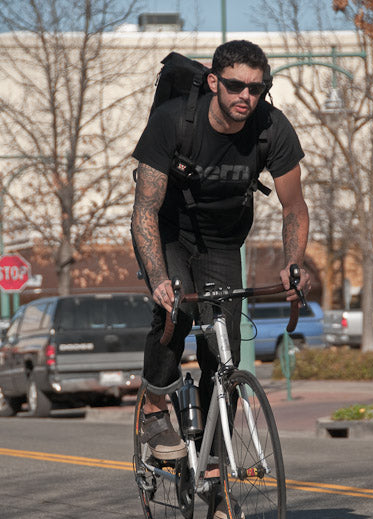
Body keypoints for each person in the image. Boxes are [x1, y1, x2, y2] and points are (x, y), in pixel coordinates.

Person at [131, 39, 310, 472]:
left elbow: (295, 208)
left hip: (223, 242)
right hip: (170, 233)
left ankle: (215, 460)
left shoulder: (272, 128)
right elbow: (145, 211)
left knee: (223, 352)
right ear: (214, 82)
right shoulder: (173, 122)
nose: (245, 96)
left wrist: (292, 263)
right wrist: (157, 277)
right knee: (179, 313)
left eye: (256, 88)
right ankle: (154, 410)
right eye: (235, 86)